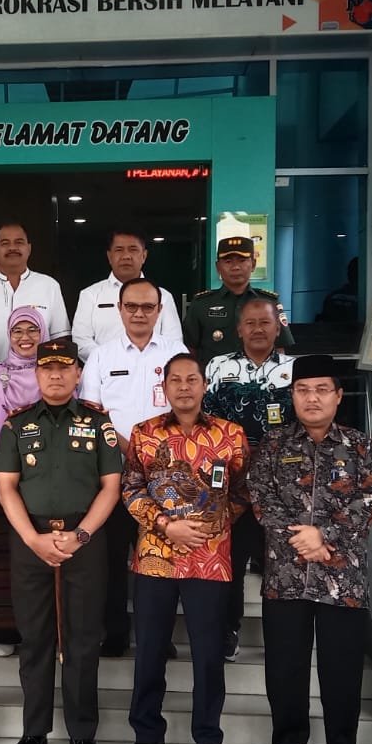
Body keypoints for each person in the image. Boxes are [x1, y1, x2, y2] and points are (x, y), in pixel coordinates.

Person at [246, 355, 372, 744]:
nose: (312, 398)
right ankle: (288, 743)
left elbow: (369, 500)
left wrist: (324, 536)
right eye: (303, 390)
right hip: (285, 576)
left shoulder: (359, 445)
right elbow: (260, 497)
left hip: (343, 579)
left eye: (322, 390)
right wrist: (302, 540)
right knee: (284, 666)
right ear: (292, 395)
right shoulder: (273, 445)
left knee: (341, 667)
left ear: (338, 396)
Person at [0, 339, 122, 744]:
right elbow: (6, 488)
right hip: (30, 538)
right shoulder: (17, 424)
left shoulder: (98, 422)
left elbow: (111, 487)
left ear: (77, 374)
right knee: (35, 638)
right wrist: (33, 539)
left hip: (85, 539)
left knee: (83, 639)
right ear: (36, 373)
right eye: (47, 368)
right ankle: (34, 732)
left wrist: (81, 535)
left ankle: (83, 734)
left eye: (64, 367)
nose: (55, 375)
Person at [119, 353, 248, 744]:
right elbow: (131, 489)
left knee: (208, 653)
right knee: (150, 650)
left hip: (210, 559)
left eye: (192, 379)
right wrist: (165, 525)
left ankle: (208, 738)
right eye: (175, 380)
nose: (184, 387)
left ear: (204, 385)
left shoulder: (231, 435)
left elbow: (243, 491)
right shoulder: (145, 434)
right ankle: (146, 735)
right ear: (165, 388)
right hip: (155, 559)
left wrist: (212, 524)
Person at [79, 278, 189, 658]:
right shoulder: (101, 356)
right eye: (131, 307)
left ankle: (158, 637)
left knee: (160, 559)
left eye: (147, 307)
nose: (139, 314)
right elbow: (93, 416)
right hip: (115, 474)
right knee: (111, 560)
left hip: (167, 476)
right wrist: (132, 450)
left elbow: (186, 408)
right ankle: (114, 633)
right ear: (119, 309)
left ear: (160, 311)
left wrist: (152, 454)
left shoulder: (176, 354)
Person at [202, 293, 295, 661]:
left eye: (265, 322)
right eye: (251, 323)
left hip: (280, 486)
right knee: (232, 560)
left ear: (278, 327)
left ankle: (280, 635)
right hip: (232, 484)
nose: (258, 329)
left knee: (277, 563)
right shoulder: (218, 366)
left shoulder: (294, 370)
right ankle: (229, 630)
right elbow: (207, 423)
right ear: (239, 329)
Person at [0, 306, 50, 659]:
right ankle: (6, 631)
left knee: (44, 557)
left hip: (48, 476)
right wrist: (11, 461)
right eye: (17, 331)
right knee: (3, 558)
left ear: (43, 334)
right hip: (5, 475)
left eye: (32, 330)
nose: (25, 337)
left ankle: (46, 632)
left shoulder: (52, 371)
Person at [0, 221, 69, 364]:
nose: (12, 248)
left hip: (38, 376)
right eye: (5, 243)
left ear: (29, 248)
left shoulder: (49, 286)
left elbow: (60, 338)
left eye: (19, 242)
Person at [71, 229, 184, 360]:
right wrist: (113, 360)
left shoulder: (164, 296)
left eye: (133, 249)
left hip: (153, 370)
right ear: (109, 256)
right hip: (104, 369)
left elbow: (174, 342)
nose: (126, 256)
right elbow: (81, 341)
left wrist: (144, 362)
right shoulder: (90, 294)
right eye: (119, 250)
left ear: (144, 256)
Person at [185, 236, 295, 367]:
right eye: (228, 261)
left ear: (253, 264)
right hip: (215, 377)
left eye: (242, 260)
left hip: (260, 377)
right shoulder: (201, 304)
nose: (235, 267)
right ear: (218, 267)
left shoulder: (270, 303)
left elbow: (280, 348)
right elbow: (190, 349)